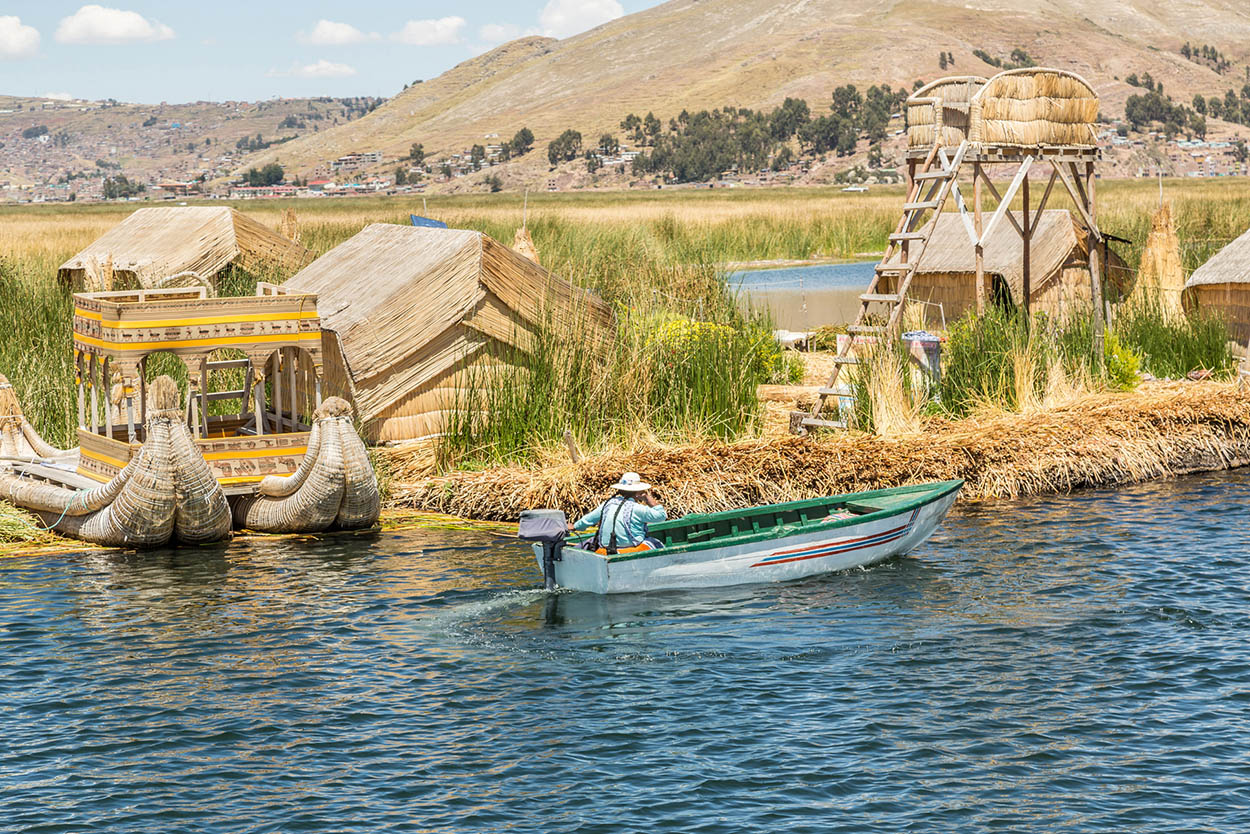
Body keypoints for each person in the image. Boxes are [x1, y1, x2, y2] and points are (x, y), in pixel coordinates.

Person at [571, 472, 667, 553]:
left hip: (607, 548)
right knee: (656, 543)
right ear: (638, 492)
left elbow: (587, 521)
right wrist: (648, 500)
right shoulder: (637, 508)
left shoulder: (607, 504)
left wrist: (575, 526)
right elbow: (662, 516)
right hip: (629, 547)